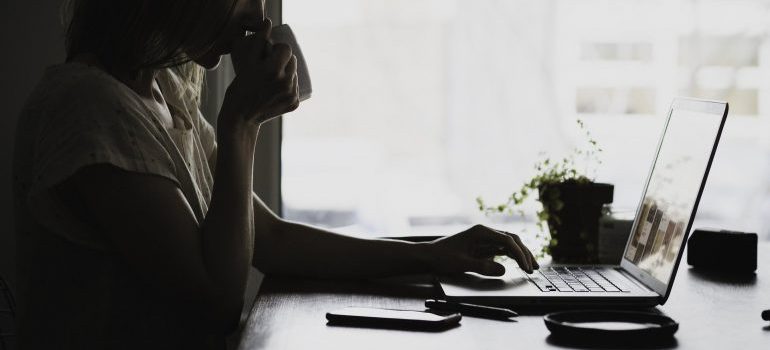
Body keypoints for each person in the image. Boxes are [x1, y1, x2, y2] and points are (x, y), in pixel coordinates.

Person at [13, 0, 538, 348]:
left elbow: (269, 237)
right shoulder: (89, 106)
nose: (259, 22)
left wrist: (432, 254)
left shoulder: (161, 93)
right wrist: (242, 122)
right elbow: (213, 302)